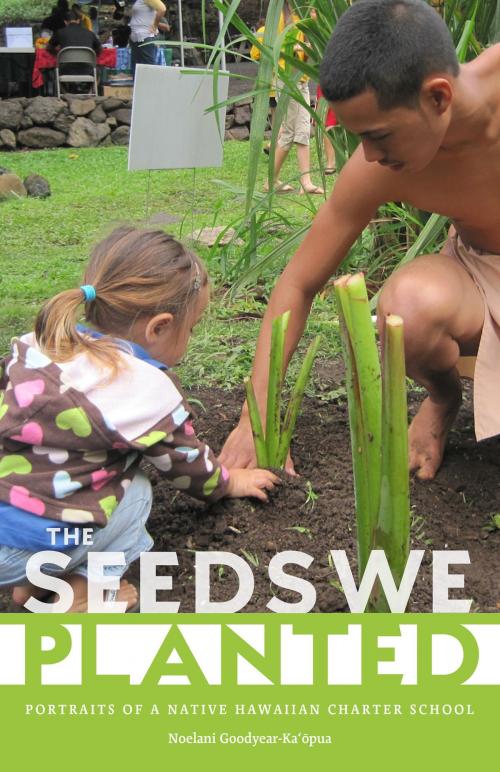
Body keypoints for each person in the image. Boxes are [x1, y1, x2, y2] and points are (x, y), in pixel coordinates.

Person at [220, 0, 500, 482]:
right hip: (480, 271)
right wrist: (256, 413)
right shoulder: (375, 169)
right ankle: (442, 397)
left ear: (438, 97)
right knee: (407, 311)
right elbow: (299, 282)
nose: (369, 157)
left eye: (379, 136)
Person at [0, 227, 278, 612]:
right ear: (160, 326)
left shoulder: (38, 346)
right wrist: (230, 483)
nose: (191, 335)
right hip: (43, 541)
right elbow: (188, 468)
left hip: (6, 538)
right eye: (192, 327)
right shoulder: (144, 390)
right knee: (137, 491)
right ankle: (84, 590)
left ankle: (30, 586)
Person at [264, 1, 324, 195]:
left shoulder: (305, 17)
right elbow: (276, 46)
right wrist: (301, 47)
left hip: (300, 80)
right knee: (295, 132)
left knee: (296, 131)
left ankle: (274, 180)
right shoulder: (283, 17)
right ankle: (303, 181)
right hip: (288, 79)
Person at [48, 8, 101, 81]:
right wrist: (92, 55)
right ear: (78, 21)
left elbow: (49, 48)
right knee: (98, 69)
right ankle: (91, 91)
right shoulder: (89, 33)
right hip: (87, 70)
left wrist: (58, 54)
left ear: (65, 22)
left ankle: (64, 91)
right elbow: (99, 49)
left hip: (65, 70)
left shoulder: (60, 32)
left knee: (52, 70)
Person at [129, 0, 167, 77]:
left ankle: (149, 87)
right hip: (136, 38)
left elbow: (162, 9)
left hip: (145, 37)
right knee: (137, 68)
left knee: (147, 67)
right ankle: (138, 87)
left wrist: (155, 24)